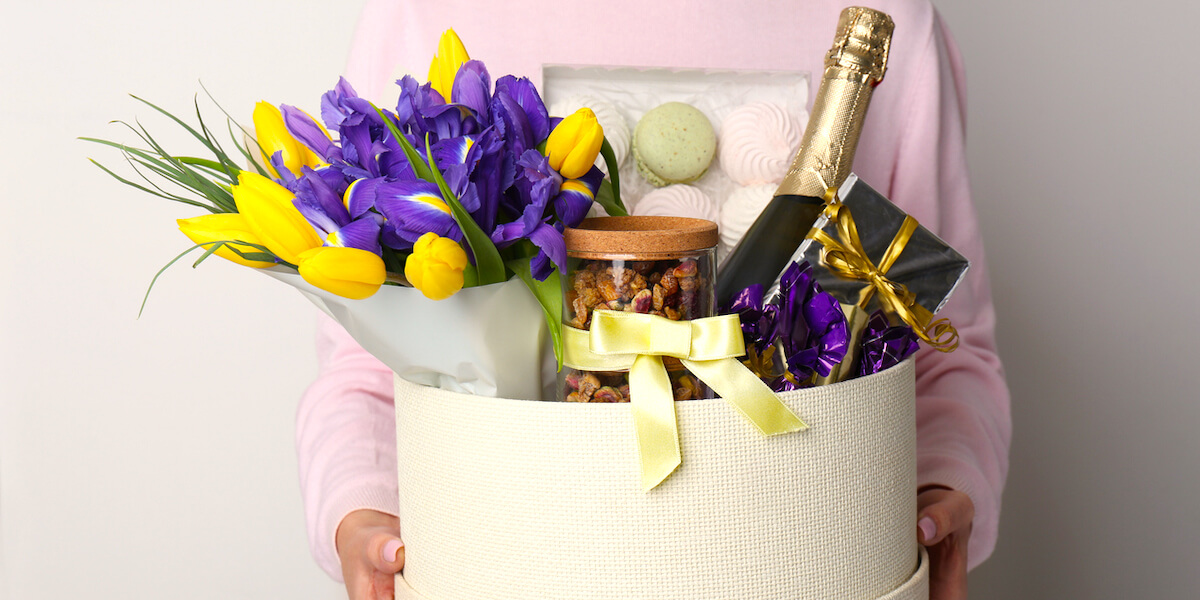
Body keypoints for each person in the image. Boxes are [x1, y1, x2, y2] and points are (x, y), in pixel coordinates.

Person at [297, 1, 1011, 599]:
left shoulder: (888, 15)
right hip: (525, 559)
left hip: (790, 554)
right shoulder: (430, 12)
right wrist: (360, 510)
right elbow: (366, 367)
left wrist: (947, 482)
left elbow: (947, 345)